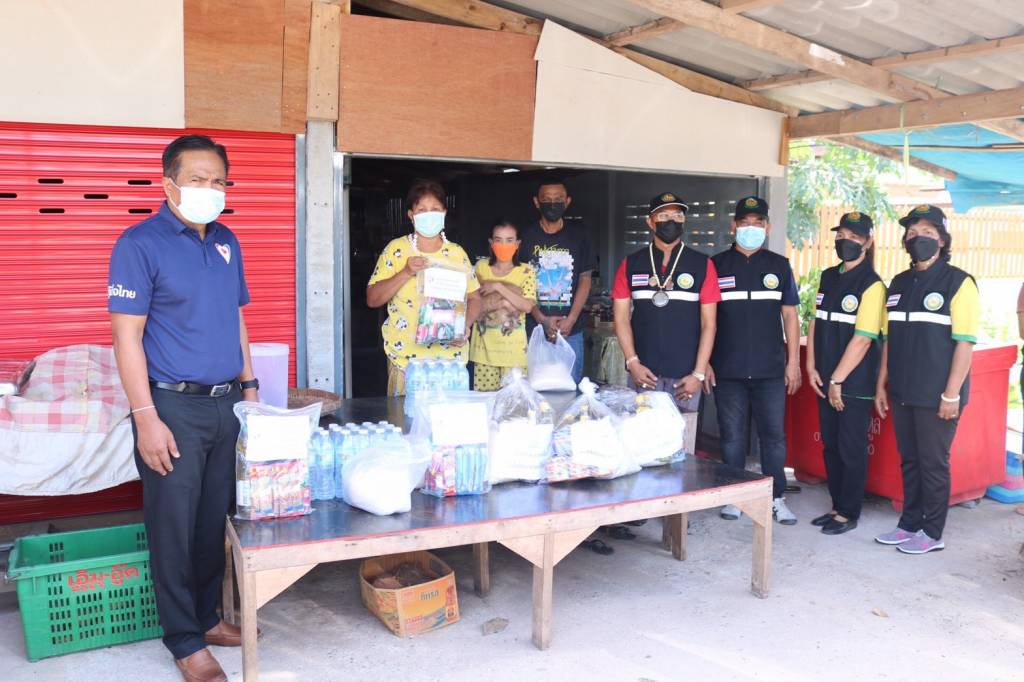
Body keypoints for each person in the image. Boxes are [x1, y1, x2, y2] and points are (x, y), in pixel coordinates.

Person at [108, 134, 257, 682]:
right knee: (172, 527)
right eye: (198, 179)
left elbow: (236, 318)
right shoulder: (139, 244)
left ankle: (208, 618)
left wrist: (250, 389)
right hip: (171, 406)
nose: (209, 189)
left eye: (218, 181)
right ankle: (184, 640)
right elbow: (126, 338)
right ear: (169, 183)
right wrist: (145, 417)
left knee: (212, 520)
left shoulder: (226, 241)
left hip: (225, 406)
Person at [874, 204, 981, 553]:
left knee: (933, 464)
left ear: (942, 240)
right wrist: (881, 383)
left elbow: (964, 343)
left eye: (928, 233)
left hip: (938, 395)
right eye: (912, 233)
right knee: (910, 460)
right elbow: (889, 339)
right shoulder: (899, 283)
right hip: (902, 390)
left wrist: (951, 394)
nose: (918, 238)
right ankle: (909, 524)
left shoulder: (959, 283)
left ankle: (932, 533)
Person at [710, 196, 802, 525]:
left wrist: (793, 363)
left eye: (758, 223)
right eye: (745, 222)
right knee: (732, 436)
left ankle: (776, 498)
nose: (751, 228)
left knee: (773, 438)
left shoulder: (779, 265)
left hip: (770, 370)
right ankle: (735, 496)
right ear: (733, 226)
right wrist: (704, 362)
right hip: (728, 369)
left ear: (768, 227)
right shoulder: (716, 266)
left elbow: (790, 316)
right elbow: (705, 320)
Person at [806, 211, 886, 536]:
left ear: (867, 242)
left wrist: (837, 379)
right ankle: (836, 505)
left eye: (853, 237)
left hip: (853, 381)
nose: (845, 242)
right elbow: (815, 321)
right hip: (825, 377)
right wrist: (811, 365)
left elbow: (863, 338)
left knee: (851, 447)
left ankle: (848, 512)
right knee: (831, 445)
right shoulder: (828, 276)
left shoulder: (873, 285)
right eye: (841, 236)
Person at [366, 179, 481, 396]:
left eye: (435, 209)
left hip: (450, 364)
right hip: (406, 362)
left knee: (447, 418)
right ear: (411, 215)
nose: (429, 215)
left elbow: (475, 298)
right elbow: (372, 299)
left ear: (444, 213)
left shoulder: (457, 254)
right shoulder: (396, 250)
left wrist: (465, 325)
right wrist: (406, 272)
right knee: (404, 416)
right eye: (422, 210)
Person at [611, 192, 719, 411]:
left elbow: (709, 324)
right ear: (650, 222)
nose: (671, 221)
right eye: (663, 216)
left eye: (678, 215)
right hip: (644, 372)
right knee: (642, 430)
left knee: (682, 431)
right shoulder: (631, 264)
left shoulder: (702, 264)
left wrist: (698, 373)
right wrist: (632, 362)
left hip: (686, 376)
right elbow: (620, 318)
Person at [519, 177, 597, 385]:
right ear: (537, 202)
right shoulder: (525, 237)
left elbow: (585, 279)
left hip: (572, 330)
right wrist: (542, 319)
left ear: (567, 201)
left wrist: (571, 319)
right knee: (533, 390)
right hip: (533, 329)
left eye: (558, 199)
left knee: (569, 389)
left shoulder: (580, 235)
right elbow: (518, 283)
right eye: (547, 199)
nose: (552, 204)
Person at [469, 219, 537, 390]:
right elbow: (473, 302)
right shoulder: (480, 267)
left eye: (509, 240)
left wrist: (497, 286)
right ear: (491, 243)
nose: (504, 245)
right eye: (498, 240)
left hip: (514, 354)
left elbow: (527, 306)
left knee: (514, 403)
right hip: (484, 352)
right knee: (486, 401)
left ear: (517, 244)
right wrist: (509, 300)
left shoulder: (526, 271)